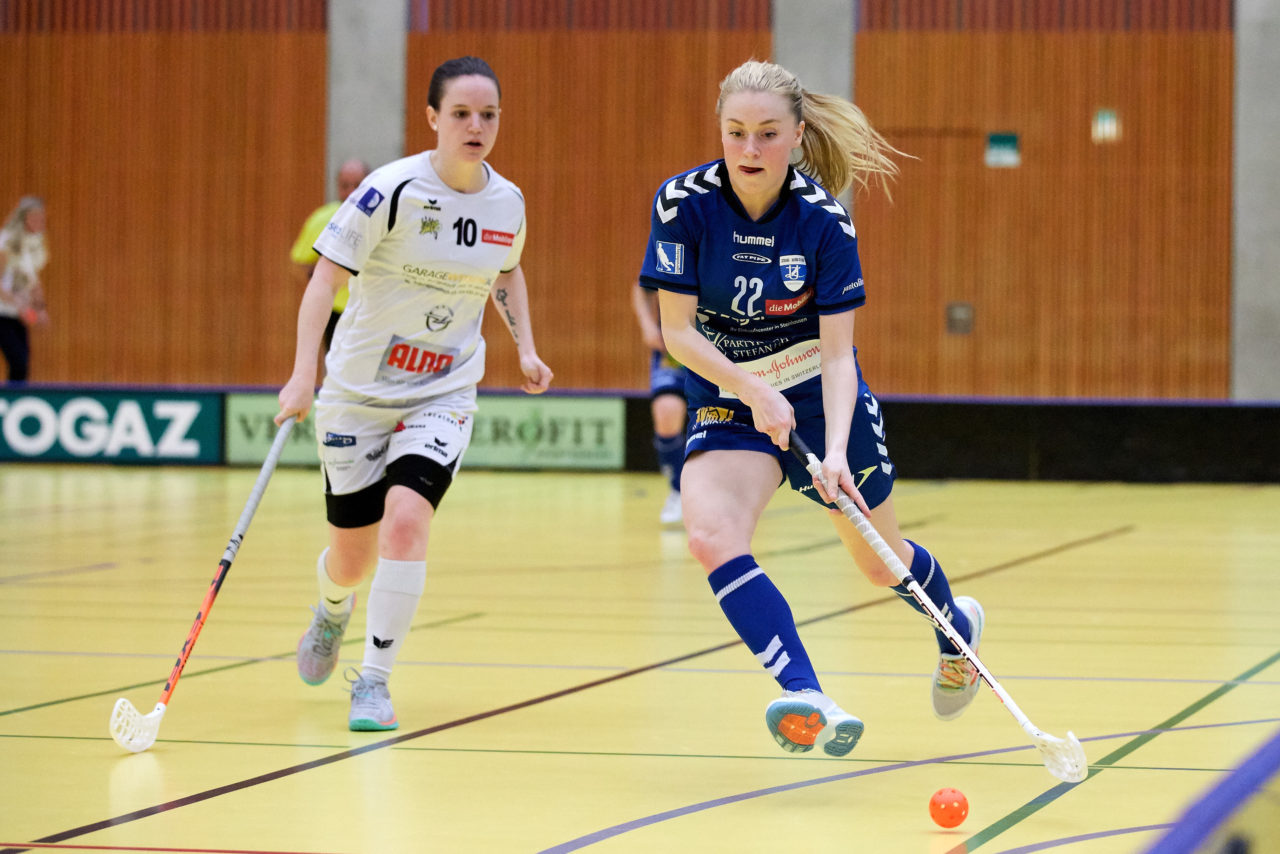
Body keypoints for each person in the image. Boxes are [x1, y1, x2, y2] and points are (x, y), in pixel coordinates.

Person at [639, 60, 984, 758]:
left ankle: (956, 630)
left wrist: (831, 454)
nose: (749, 150)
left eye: (768, 134)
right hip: (730, 393)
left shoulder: (825, 223)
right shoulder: (683, 203)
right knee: (710, 534)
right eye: (736, 133)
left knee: (879, 564)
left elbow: (836, 356)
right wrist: (751, 390)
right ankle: (807, 693)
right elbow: (678, 334)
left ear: (797, 136)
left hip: (819, 397)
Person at [276, 56, 553, 732]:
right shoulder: (387, 190)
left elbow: (506, 275)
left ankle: (372, 681)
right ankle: (332, 607)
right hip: (356, 392)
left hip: (443, 390)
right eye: (461, 113)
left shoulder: (507, 202)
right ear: (432, 118)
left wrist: (525, 346)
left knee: (406, 520)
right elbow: (321, 282)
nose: (476, 126)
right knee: (352, 558)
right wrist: (302, 373)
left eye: (488, 115)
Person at [290, 158, 371, 353]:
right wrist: (326, 275)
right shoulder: (322, 219)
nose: (351, 192)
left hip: (370, 309)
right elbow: (299, 263)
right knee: (335, 367)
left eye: (357, 185)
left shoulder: (385, 221)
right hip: (333, 311)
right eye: (345, 186)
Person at [631, 279, 689, 524]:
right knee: (666, 413)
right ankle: (680, 491)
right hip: (674, 345)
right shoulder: (672, 241)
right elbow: (641, 286)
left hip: (723, 343)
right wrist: (646, 324)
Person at [0, 196, 50, 383]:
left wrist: (40, 308)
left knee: (22, 366)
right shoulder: (6, 242)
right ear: (23, 217)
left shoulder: (32, 245)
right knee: (19, 362)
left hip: (16, 315)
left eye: (42, 218)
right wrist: (19, 306)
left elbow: (33, 281)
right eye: (35, 218)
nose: (39, 223)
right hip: (3, 313)